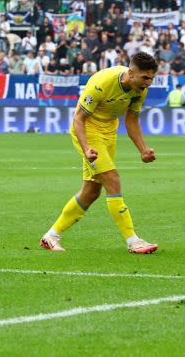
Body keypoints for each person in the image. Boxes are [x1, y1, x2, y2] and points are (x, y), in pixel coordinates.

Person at [40, 52, 160, 255]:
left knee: (91, 191)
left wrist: (143, 150)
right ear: (131, 73)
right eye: (145, 78)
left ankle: (51, 236)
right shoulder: (102, 83)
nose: (148, 83)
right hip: (87, 130)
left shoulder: (140, 90)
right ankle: (133, 241)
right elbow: (79, 118)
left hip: (108, 131)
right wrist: (86, 147)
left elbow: (131, 121)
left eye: (151, 78)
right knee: (112, 179)